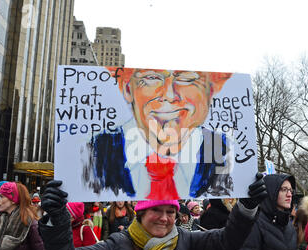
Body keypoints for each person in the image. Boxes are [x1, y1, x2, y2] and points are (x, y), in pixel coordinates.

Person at [37, 173, 268, 250]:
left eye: (170, 212)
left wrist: (246, 208)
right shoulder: (117, 246)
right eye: (156, 210)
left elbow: (227, 240)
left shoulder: (184, 240)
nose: (164, 218)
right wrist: (56, 219)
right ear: (140, 213)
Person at [81, 68, 234, 200]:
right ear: (127, 89)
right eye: (152, 78)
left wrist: (248, 208)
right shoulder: (94, 153)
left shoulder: (224, 152)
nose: (169, 95)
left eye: (187, 79)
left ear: (210, 91)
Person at [236, 174, 307, 250]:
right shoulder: (253, 224)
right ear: (270, 192)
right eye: (283, 190)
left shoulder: (288, 226)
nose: (289, 194)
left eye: (290, 190)